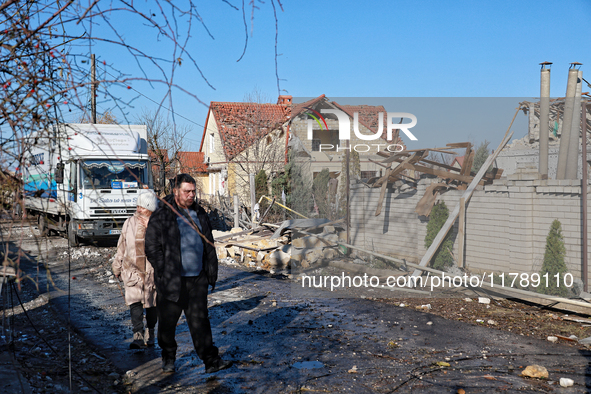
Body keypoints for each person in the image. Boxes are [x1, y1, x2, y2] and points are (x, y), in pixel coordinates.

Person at [145, 174, 232, 374]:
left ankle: (211, 361)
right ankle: (168, 357)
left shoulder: (200, 212)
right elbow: (151, 246)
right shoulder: (163, 214)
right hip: (172, 281)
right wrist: (163, 270)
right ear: (175, 191)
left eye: (193, 191)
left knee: (200, 321)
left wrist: (211, 272)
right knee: (167, 325)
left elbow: (208, 243)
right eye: (187, 191)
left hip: (197, 280)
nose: (191, 195)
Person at [112, 191, 159, 349]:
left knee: (152, 305)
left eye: (143, 207)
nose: (139, 209)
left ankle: (151, 332)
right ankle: (137, 335)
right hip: (132, 271)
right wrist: (116, 267)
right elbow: (122, 247)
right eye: (137, 206)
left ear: (150, 208)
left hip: (152, 273)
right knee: (135, 304)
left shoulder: (158, 224)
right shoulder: (129, 223)